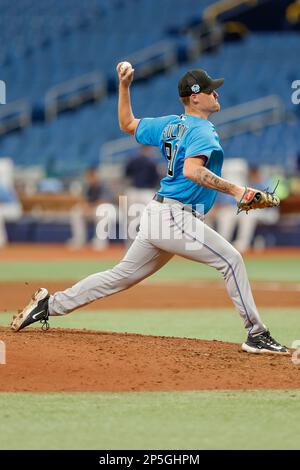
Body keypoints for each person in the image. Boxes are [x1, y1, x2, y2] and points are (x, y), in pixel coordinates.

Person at [11, 65, 288, 355]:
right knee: (231, 260)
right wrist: (237, 190)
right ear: (194, 97)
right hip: (175, 216)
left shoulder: (169, 124)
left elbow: (127, 123)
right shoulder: (202, 130)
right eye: (209, 89)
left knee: (120, 276)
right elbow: (193, 171)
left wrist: (124, 86)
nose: (216, 93)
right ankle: (257, 334)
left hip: (160, 214)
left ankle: (49, 305)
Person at [67, 168, 116, 250]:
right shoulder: (88, 186)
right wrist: (85, 207)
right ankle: (79, 239)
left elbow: (104, 200)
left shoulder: (104, 185)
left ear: (96, 176)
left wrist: (90, 208)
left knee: (102, 210)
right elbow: (84, 199)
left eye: (92, 176)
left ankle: (101, 241)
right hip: (94, 209)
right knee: (76, 211)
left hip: (110, 210)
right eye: (88, 177)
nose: (90, 179)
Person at [124, 145, 160, 245]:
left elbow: (126, 174)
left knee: (132, 220)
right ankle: (149, 243)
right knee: (149, 219)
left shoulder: (133, 159)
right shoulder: (152, 162)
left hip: (133, 191)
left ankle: (131, 245)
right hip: (147, 192)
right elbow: (156, 178)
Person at [0, 183, 22, 248]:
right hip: (7, 208)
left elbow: (2, 203)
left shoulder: (1, 188)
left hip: (13, 208)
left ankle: (1, 241)